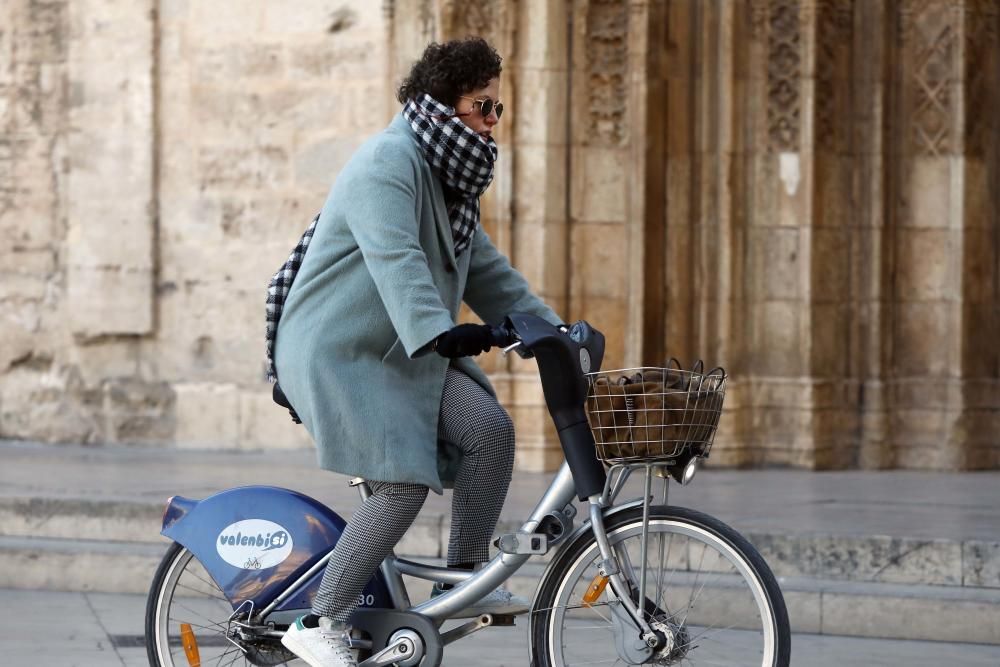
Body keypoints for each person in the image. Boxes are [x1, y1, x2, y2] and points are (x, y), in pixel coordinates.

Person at [273, 37, 561, 667]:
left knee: (489, 430)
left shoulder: (447, 178)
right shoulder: (388, 161)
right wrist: (439, 330)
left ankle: (461, 582)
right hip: (342, 351)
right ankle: (321, 618)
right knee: (401, 482)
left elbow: (491, 276)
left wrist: (558, 335)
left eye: (497, 109)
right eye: (482, 107)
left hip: (405, 347)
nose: (491, 123)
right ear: (442, 106)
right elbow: (395, 256)